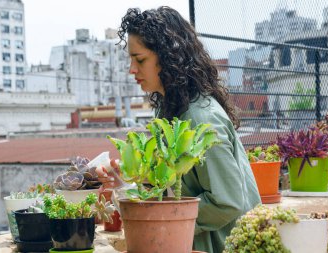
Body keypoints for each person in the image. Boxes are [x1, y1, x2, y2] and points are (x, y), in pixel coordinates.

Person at [98, 6, 261, 253]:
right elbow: (174, 191)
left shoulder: (201, 118)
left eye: (140, 60)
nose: (132, 70)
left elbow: (228, 202)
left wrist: (158, 215)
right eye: (131, 60)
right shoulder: (172, 109)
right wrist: (125, 181)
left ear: (168, 57)